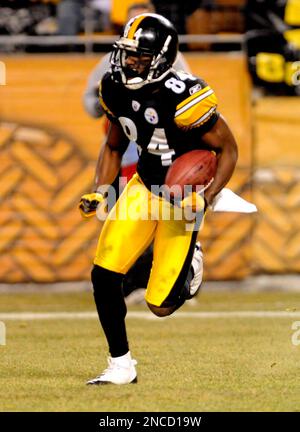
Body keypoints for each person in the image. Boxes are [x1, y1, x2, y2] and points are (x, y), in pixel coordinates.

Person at [79, 13, 238, 385]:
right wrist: (100, 190)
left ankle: (191, 260)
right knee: (104, 275)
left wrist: (209, 197)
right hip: (142, 186)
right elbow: (113, 144)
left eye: (141, 55)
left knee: (160, 306)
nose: (130, 61)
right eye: (128, 53)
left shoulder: (185, 95)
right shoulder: (114, 87)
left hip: (180, 198)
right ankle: (121, 365)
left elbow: (228, 149)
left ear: (163, 57)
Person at [82, 2, 192, 304]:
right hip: (128, 152)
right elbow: (90, 104)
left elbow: (189, 107)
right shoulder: (110, 62)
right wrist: (99, 99)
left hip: (162, 152)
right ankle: (131, 280)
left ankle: (173, 276)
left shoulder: (175, 65)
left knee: (166, 217)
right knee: (123, 218)